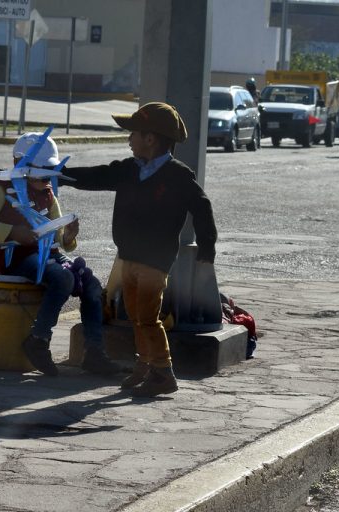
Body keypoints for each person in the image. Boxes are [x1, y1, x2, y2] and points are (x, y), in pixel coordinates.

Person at [61, 102, 218, 398]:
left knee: (147, 317)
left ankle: (164, 372)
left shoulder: (178, 175)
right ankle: (144, 364)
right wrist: (62, 175)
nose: (129, 139)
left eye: (133, 133)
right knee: (134, 315)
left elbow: (202, 207)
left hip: (155, 261)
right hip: (129, 256)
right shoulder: (129, 169)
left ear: (150, 139)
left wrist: (207, 248)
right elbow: (97, 176)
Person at [0, 133, 120, 377]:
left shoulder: (48, 193)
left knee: (91, 284)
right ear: (20, 164)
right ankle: (38, 340)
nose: (47, 178)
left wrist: (68, 237)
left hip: (48, 256)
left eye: (50, 172)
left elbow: (59, 238)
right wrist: (12, 232)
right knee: (63, 278)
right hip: (15, 258)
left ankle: (94, 352)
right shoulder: (1, 188)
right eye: (42, 172)